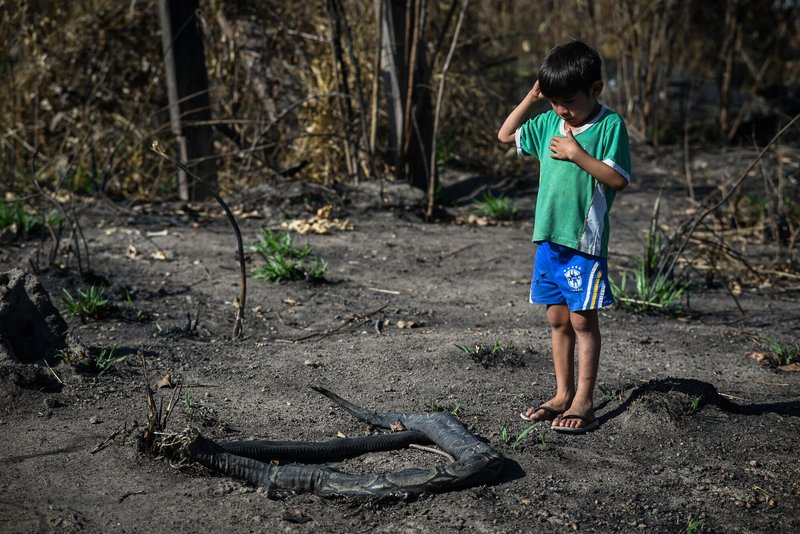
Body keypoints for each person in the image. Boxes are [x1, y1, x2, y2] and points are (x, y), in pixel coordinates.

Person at [497, 40, 631, 433]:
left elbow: (618, 179)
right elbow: (506, 135)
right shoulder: (548, 123)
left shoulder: (609, 126)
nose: (561, 110)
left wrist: (577, 154)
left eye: (568, 101)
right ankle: (561, 393)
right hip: (548, 242)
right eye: (554, 100)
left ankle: (584, 401)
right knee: (557, 318)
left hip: (583, 245)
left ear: (595, 89)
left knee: (582, 320)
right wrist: (533, 97)